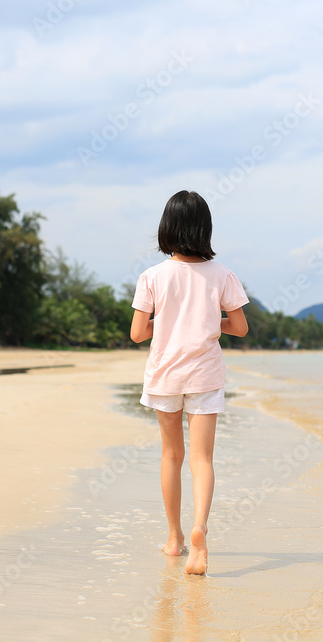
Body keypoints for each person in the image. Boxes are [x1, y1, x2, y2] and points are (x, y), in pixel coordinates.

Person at [130, 190, 250, 575]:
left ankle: (175, 537)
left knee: (171, 456)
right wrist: (209, 322)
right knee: (202, 460)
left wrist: (168, 323)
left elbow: (136, 334)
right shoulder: (222, 275)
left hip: (166, 374)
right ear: (204, 229)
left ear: (167, 228)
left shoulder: (152, 277)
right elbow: (242, 328)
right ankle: (200, 528)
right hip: (205, 374)